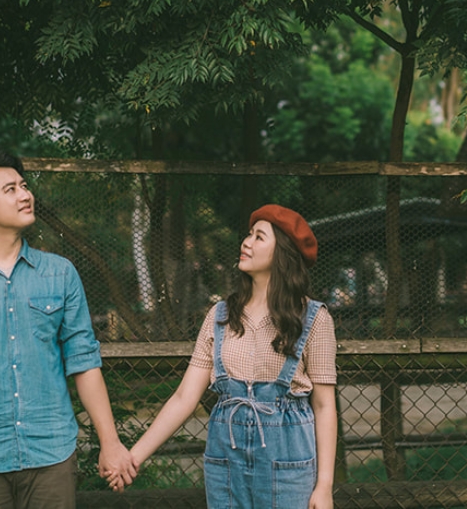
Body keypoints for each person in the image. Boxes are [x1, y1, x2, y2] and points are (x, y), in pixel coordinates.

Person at [0, 151, 136, 509]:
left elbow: (83, 361)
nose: (25, 195)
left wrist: (110, 442)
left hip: (52, 451)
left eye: (24, 185)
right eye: (10, 189)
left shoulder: (60, 273)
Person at [127, 204, 337, 509]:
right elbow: (185, 397)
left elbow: (324, 405)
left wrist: (325, 486)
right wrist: (133, 458)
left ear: (283, 253)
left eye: (259, 237)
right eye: (248, 235)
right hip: (226, 462)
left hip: (288, 464)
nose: (246, 242)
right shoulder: (220, 316)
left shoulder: (314, 319)